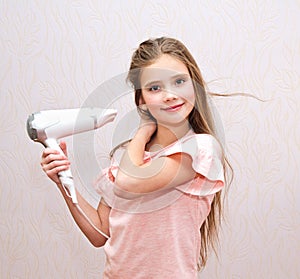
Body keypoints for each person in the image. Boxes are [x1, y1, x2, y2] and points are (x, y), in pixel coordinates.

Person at [40, 37, 231, 278]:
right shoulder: (127, 158)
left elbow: (129, 183)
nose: (170, 95)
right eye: (154, 88)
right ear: (141, 99)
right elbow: (100, 232)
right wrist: (62, 180)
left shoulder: (200, 149)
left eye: (179, 81)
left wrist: (143, 130)